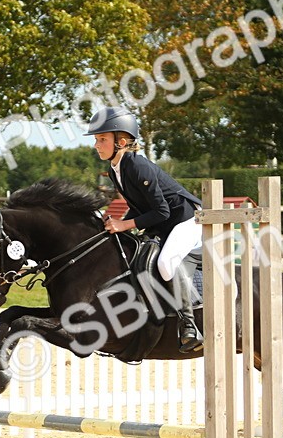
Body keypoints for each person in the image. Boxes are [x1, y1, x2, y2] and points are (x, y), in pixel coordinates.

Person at [87, 107, 204, 353]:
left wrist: (124, 224)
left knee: (165, 262)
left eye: (102, 139)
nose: (96, 145)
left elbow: (161, 211)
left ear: (121, 142)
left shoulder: (137, 166)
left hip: (187, 219)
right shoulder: (115, 170)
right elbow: (139, 207)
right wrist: (118, 225)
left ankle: (189, 326)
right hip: (166, 222)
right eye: (96, 139)